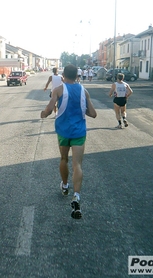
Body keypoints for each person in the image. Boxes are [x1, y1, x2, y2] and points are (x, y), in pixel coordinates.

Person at [41, 65, 97, 219]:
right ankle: (76, 196)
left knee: (64, 159)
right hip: (79, 132)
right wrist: (81, 108)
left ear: (64, 75)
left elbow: (49, 108)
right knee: (77, 164)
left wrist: (43, 114)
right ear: (78, 76)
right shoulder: (84, 91)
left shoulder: (58, 89)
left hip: (63, 132)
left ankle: (65, 186)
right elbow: (93, 113)